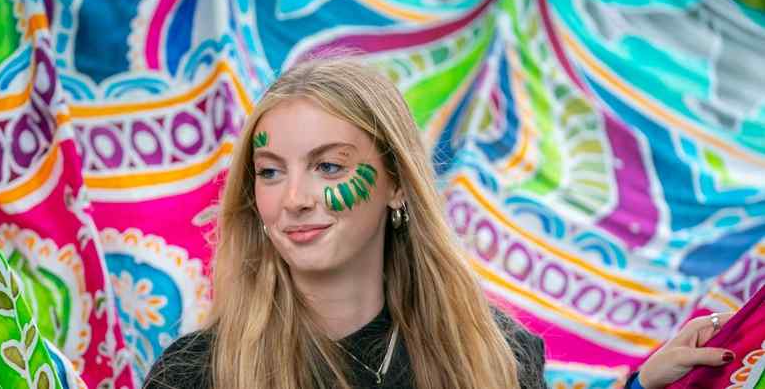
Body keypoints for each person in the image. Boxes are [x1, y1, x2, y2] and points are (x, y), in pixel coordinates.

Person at [144, 59, 735, 389]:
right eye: (270, 172)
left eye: (328, 166)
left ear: (397, 181)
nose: (294, 198)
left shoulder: (495, 354)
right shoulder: (197, 374)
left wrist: (642, 388)